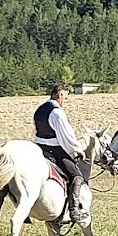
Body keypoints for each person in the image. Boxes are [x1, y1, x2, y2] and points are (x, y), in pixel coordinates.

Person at [34, 84, 85, 222]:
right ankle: (74, 210)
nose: (64, 102)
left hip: (39, 148)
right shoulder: (57, 113)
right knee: (77, 176)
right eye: (65, 98)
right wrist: (77, 150)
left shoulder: (40, 109)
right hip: (54, 150)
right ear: (59, 95)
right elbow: (66, 136)